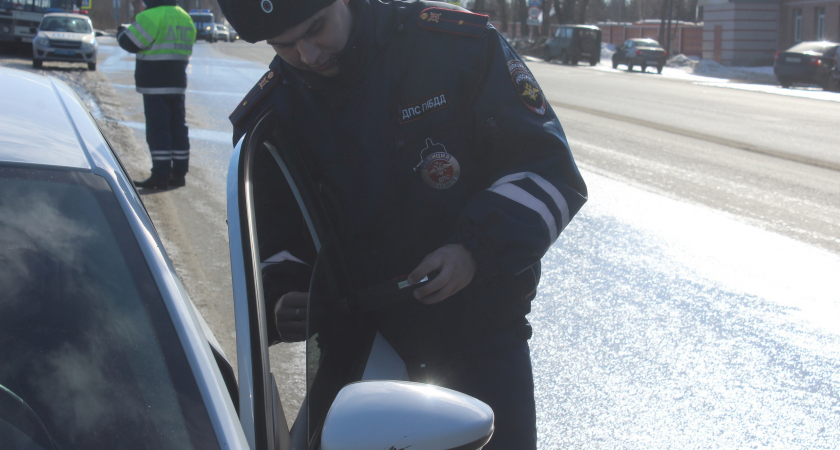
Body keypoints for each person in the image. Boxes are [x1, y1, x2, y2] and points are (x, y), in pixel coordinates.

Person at [219, 0, 588, 447]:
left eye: (317, 28)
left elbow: (545, 170)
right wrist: (282, 297)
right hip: (355, 354)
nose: (309, 56)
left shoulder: (453, 47)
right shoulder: (273, 110)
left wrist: (472, 249)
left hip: (479, 338)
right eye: (283, 45)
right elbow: (272, 233)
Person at [117, 0, 196, 189]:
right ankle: (178, 174)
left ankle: (160, 175)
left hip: (155, 83)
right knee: (178, 127)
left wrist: (121, 31)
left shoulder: (150, 16)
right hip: (177, 82)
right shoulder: (185, 17)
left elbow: (130, 42)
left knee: (158, 129)